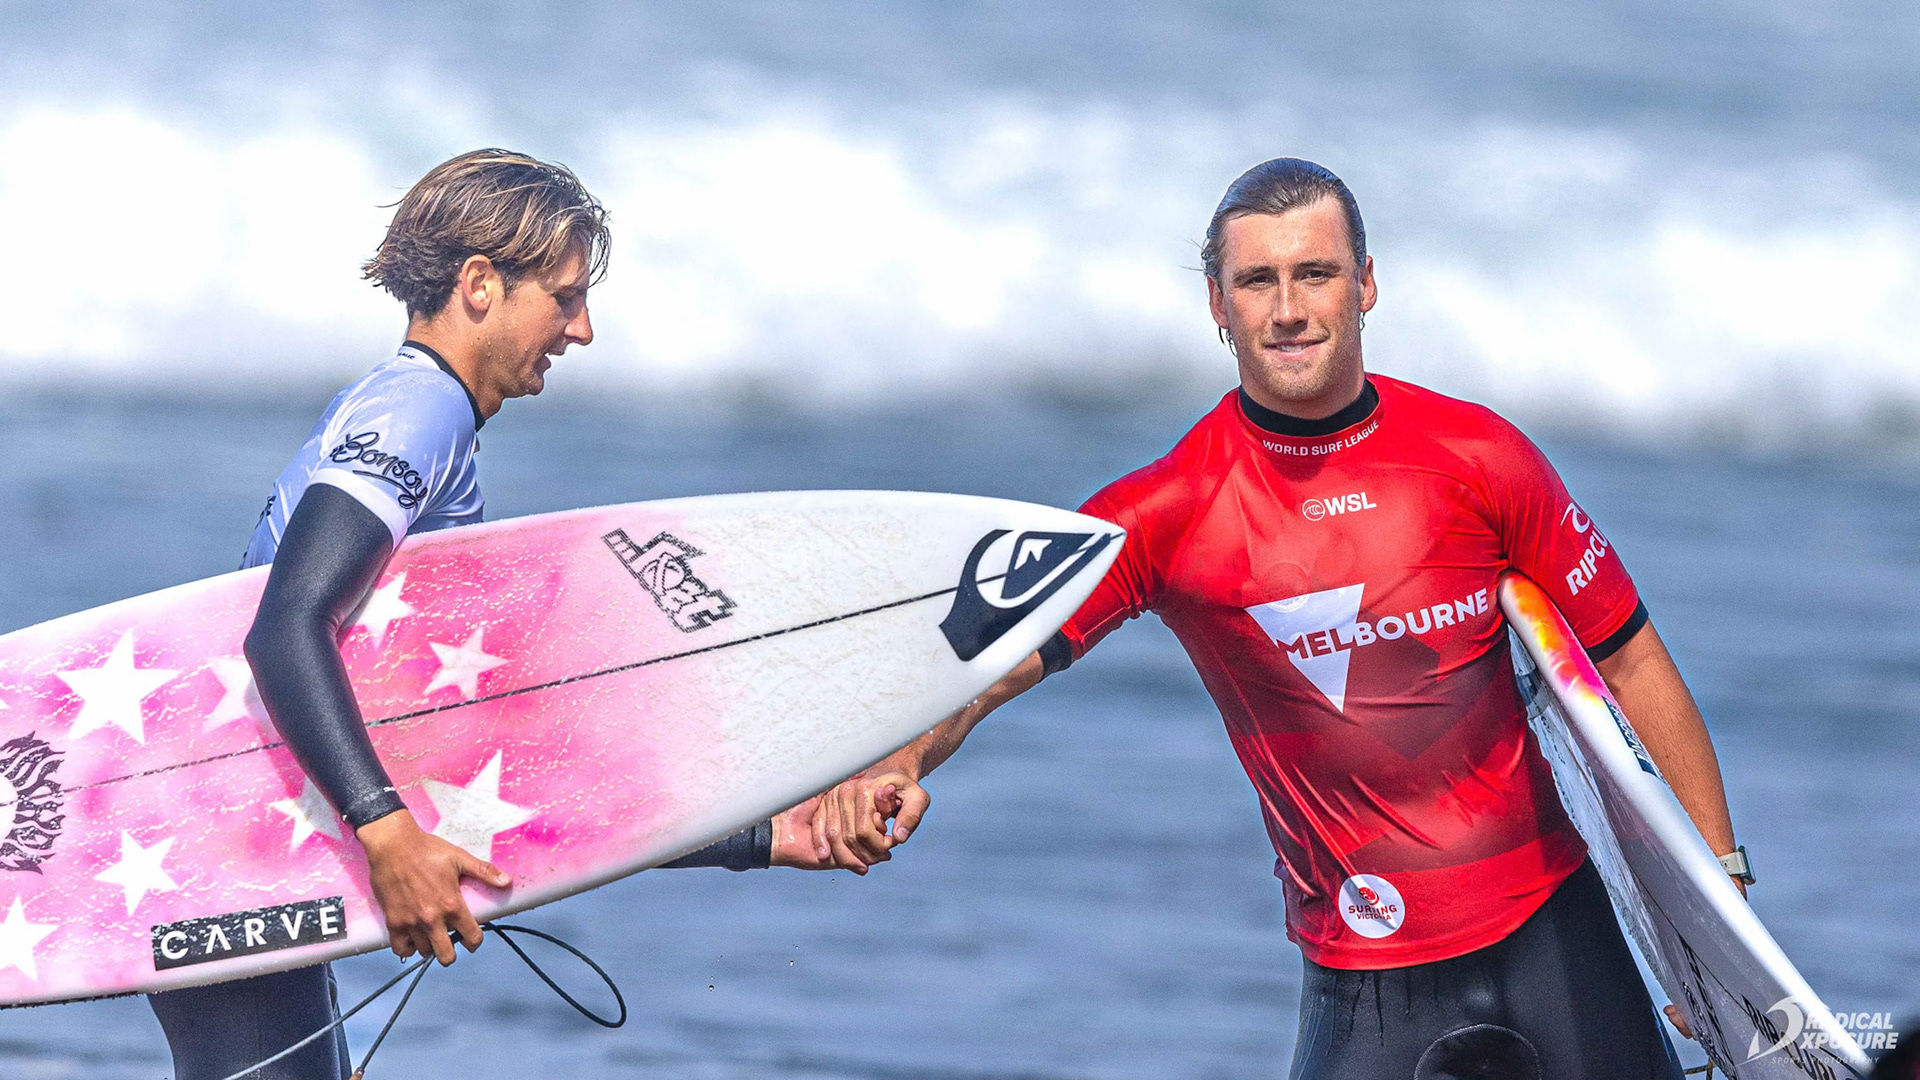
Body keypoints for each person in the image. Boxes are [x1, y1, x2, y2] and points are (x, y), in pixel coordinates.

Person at [814, 158, 1751, 1078]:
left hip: (1559, 938)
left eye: (1316, 273)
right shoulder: (1170, 510)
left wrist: (1721, 899)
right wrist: (900, 760)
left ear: (1366, 284)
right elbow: (995, 661)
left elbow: (1628, 662)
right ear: (1218, 305)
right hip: (1364, 972)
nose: (1289, 308)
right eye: (1258, 281)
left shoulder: (1479, 457)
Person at [148, 150, 830, 1080]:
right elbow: (285, 627)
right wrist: (385, 831)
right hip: (229, 846)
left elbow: (480, 767)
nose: (581, 330)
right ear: (480, 285)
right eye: (564, 297)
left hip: (252, 835)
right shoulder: (417, 411)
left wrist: (760, 836)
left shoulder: (425, 424)